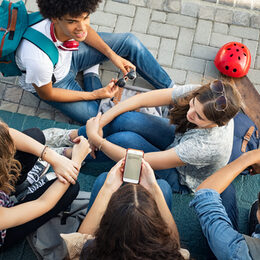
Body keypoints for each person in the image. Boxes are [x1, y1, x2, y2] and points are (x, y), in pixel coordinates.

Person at [44, 79, 241, 228]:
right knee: (127, 119)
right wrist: (100, 124)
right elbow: (142, 99)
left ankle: (71, 154)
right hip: (180, 139)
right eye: (192, 106)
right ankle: (72, 137)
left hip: (182, 177)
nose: (190, 113)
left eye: (198, 116)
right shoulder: (205, 96)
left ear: (216, 123)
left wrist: (98, 141)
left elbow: (139, 161)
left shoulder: (207, 145)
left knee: (125, 141)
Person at [15, 0, 173, 124]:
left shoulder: (68, 19)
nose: (82, 27)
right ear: (54, 19)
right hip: (56, 84)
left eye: (85, 17)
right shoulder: (38, 59)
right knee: (103, 119)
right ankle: (91, 74)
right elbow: (47, 94)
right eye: (72, 22)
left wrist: (113, 56)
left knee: (129, 42)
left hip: (69, 57)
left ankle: (174, 91)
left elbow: (84, 33)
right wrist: (93, 94)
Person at [61, 159, 190, 260]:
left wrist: (108, 188)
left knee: (103, 179)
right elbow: (175, 245)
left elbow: (81, 239)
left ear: (106, 222)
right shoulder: (170, 255)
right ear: (155, 226)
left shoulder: (90, 251)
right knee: (163, 187)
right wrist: (154, 188)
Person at [0, 121, 90, 248]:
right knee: (70, 188)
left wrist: (53, 157)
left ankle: (16, 188)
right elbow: (43, 203)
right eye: (7, 160)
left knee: (35, 135)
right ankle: (22, 196)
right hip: (4, 226)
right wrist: (76, 161)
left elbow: (7, 134)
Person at [190, 149, 260, 260]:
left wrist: (249, 157)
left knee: (222, 188)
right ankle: (256, 234)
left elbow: (204, 194)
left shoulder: (238, 252)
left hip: (240, 253)